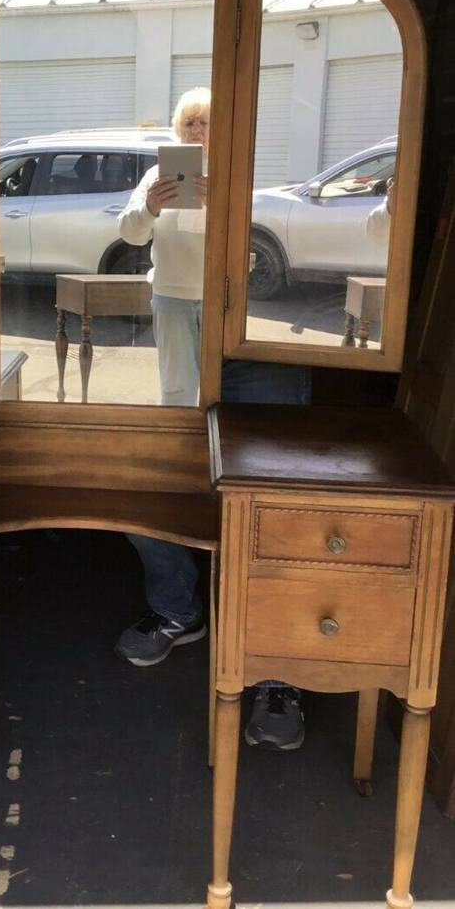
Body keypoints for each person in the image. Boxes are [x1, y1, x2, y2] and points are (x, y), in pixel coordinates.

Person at [112, 87, 309, 752]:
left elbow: (270, 242)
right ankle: (177, 611)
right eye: (189, 124)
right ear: (176, 131)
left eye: (207, 124)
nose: (198, 133)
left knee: (268, 478)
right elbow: (128, 233)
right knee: (173, 445)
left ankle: (273, 656)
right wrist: (148, 205)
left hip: (240, 322)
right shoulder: (157, 174)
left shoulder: (247, 175)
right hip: (173, 307)